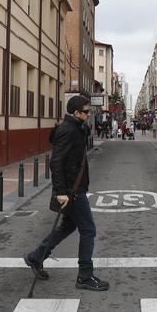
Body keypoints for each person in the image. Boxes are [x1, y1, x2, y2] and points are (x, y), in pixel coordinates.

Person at [23, 95, 108, 292]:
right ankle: (85, 276)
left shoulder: (76, 127)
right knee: (88, 230)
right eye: (86, 112)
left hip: (75, 188)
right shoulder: (68, 130)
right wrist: (61, 192)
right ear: (76, 112)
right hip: (72, 190)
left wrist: (82, 125)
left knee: (66, 227)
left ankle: (36, 257)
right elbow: (56, 161)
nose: (89, 114)